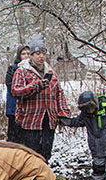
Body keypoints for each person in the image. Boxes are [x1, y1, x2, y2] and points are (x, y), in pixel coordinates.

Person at [11, 34, 72, 162]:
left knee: (46, 152)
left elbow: (59, 93)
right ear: (31, 55)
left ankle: (44, 178)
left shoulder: (51, 73)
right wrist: (34, 86)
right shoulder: (22, 71)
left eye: (43, 53)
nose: (41, 56)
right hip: (30, 120)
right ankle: (31, 179)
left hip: (49, 119)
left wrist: (63, 113)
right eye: (37, 53)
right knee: (31, 154)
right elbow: (15, 91)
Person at [4, 45, 31, 142]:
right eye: (23, 54)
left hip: (29, 108)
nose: (26, 56)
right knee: (14, 136)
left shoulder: (33, 69)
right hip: (14, 107)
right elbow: (10, 86)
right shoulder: (13, 68)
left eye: (28, 53)